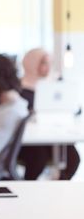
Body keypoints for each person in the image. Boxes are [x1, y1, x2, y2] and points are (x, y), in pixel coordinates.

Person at [18, 48, 81, 180]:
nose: (47, 67)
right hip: (31, 140)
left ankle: (58, 187)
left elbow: (74, 108)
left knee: (73, 158)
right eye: (43, 63)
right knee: (38, 160)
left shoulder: (53, 84)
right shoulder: (19, 87)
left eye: (49, 63)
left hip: (54, 135)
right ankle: (27, 190)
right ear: (32, 64)